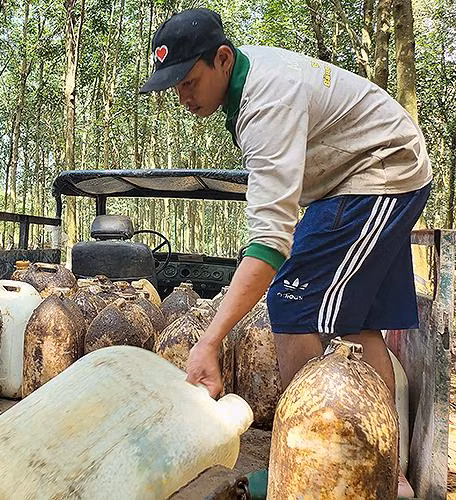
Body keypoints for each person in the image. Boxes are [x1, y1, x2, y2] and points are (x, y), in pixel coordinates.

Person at [140, 8, 430, 498]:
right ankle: (387, 477)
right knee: (358, 325)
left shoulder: (266, 104)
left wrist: (209, 341)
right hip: (362, 174)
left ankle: (302, 469)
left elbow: (272, 240)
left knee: (292, 305)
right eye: (175, 87)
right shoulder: (252, 83)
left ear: (223, 60)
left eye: (189, 81)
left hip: (378, 172)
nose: (184, 96)